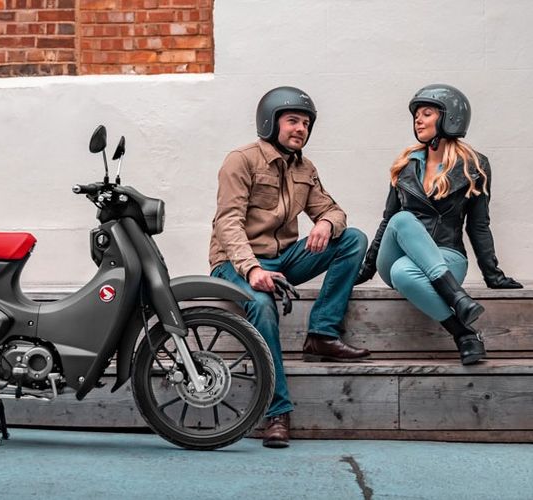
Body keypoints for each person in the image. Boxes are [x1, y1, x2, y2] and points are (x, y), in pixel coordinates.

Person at [209, 86, 369, 449]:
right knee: (262, 307)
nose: (301, 129)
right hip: (235, 263)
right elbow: (228, 222)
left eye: (306, 123)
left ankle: (322, 333)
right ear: (270, 122)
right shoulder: (241, 160)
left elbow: (333, 210)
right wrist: (252, 271)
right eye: (293, 120)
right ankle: (276, 412)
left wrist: (326, 223)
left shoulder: (304, 168)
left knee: (352, 239)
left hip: (283, 261)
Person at [355, 83, 522, 365]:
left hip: (448, 257)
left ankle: (463, 333)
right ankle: (457, 298)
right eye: (416, 115)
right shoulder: (405, 165)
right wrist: (365, 270)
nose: (418, 120)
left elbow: (478, 225)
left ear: (449, 118)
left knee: (403, 272)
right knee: (401, 219)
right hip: (396, 254)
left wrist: (492, 275)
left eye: (427, 114)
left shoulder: (473, 165)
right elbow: (387, 222)